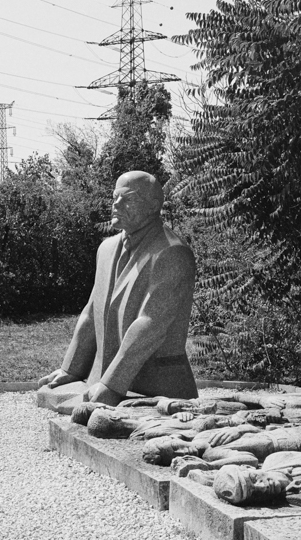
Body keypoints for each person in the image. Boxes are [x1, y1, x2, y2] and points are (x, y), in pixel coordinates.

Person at [38, 171, 197, 405]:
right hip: (101, 378)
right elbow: (92, 312)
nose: (116, 204)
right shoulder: (106, 249)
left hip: (156, 387)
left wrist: (111, 385)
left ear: (153, 206)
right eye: (115, 197)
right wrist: (71, 369)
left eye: (128, 199)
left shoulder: (172, 253)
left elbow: (151, 324)